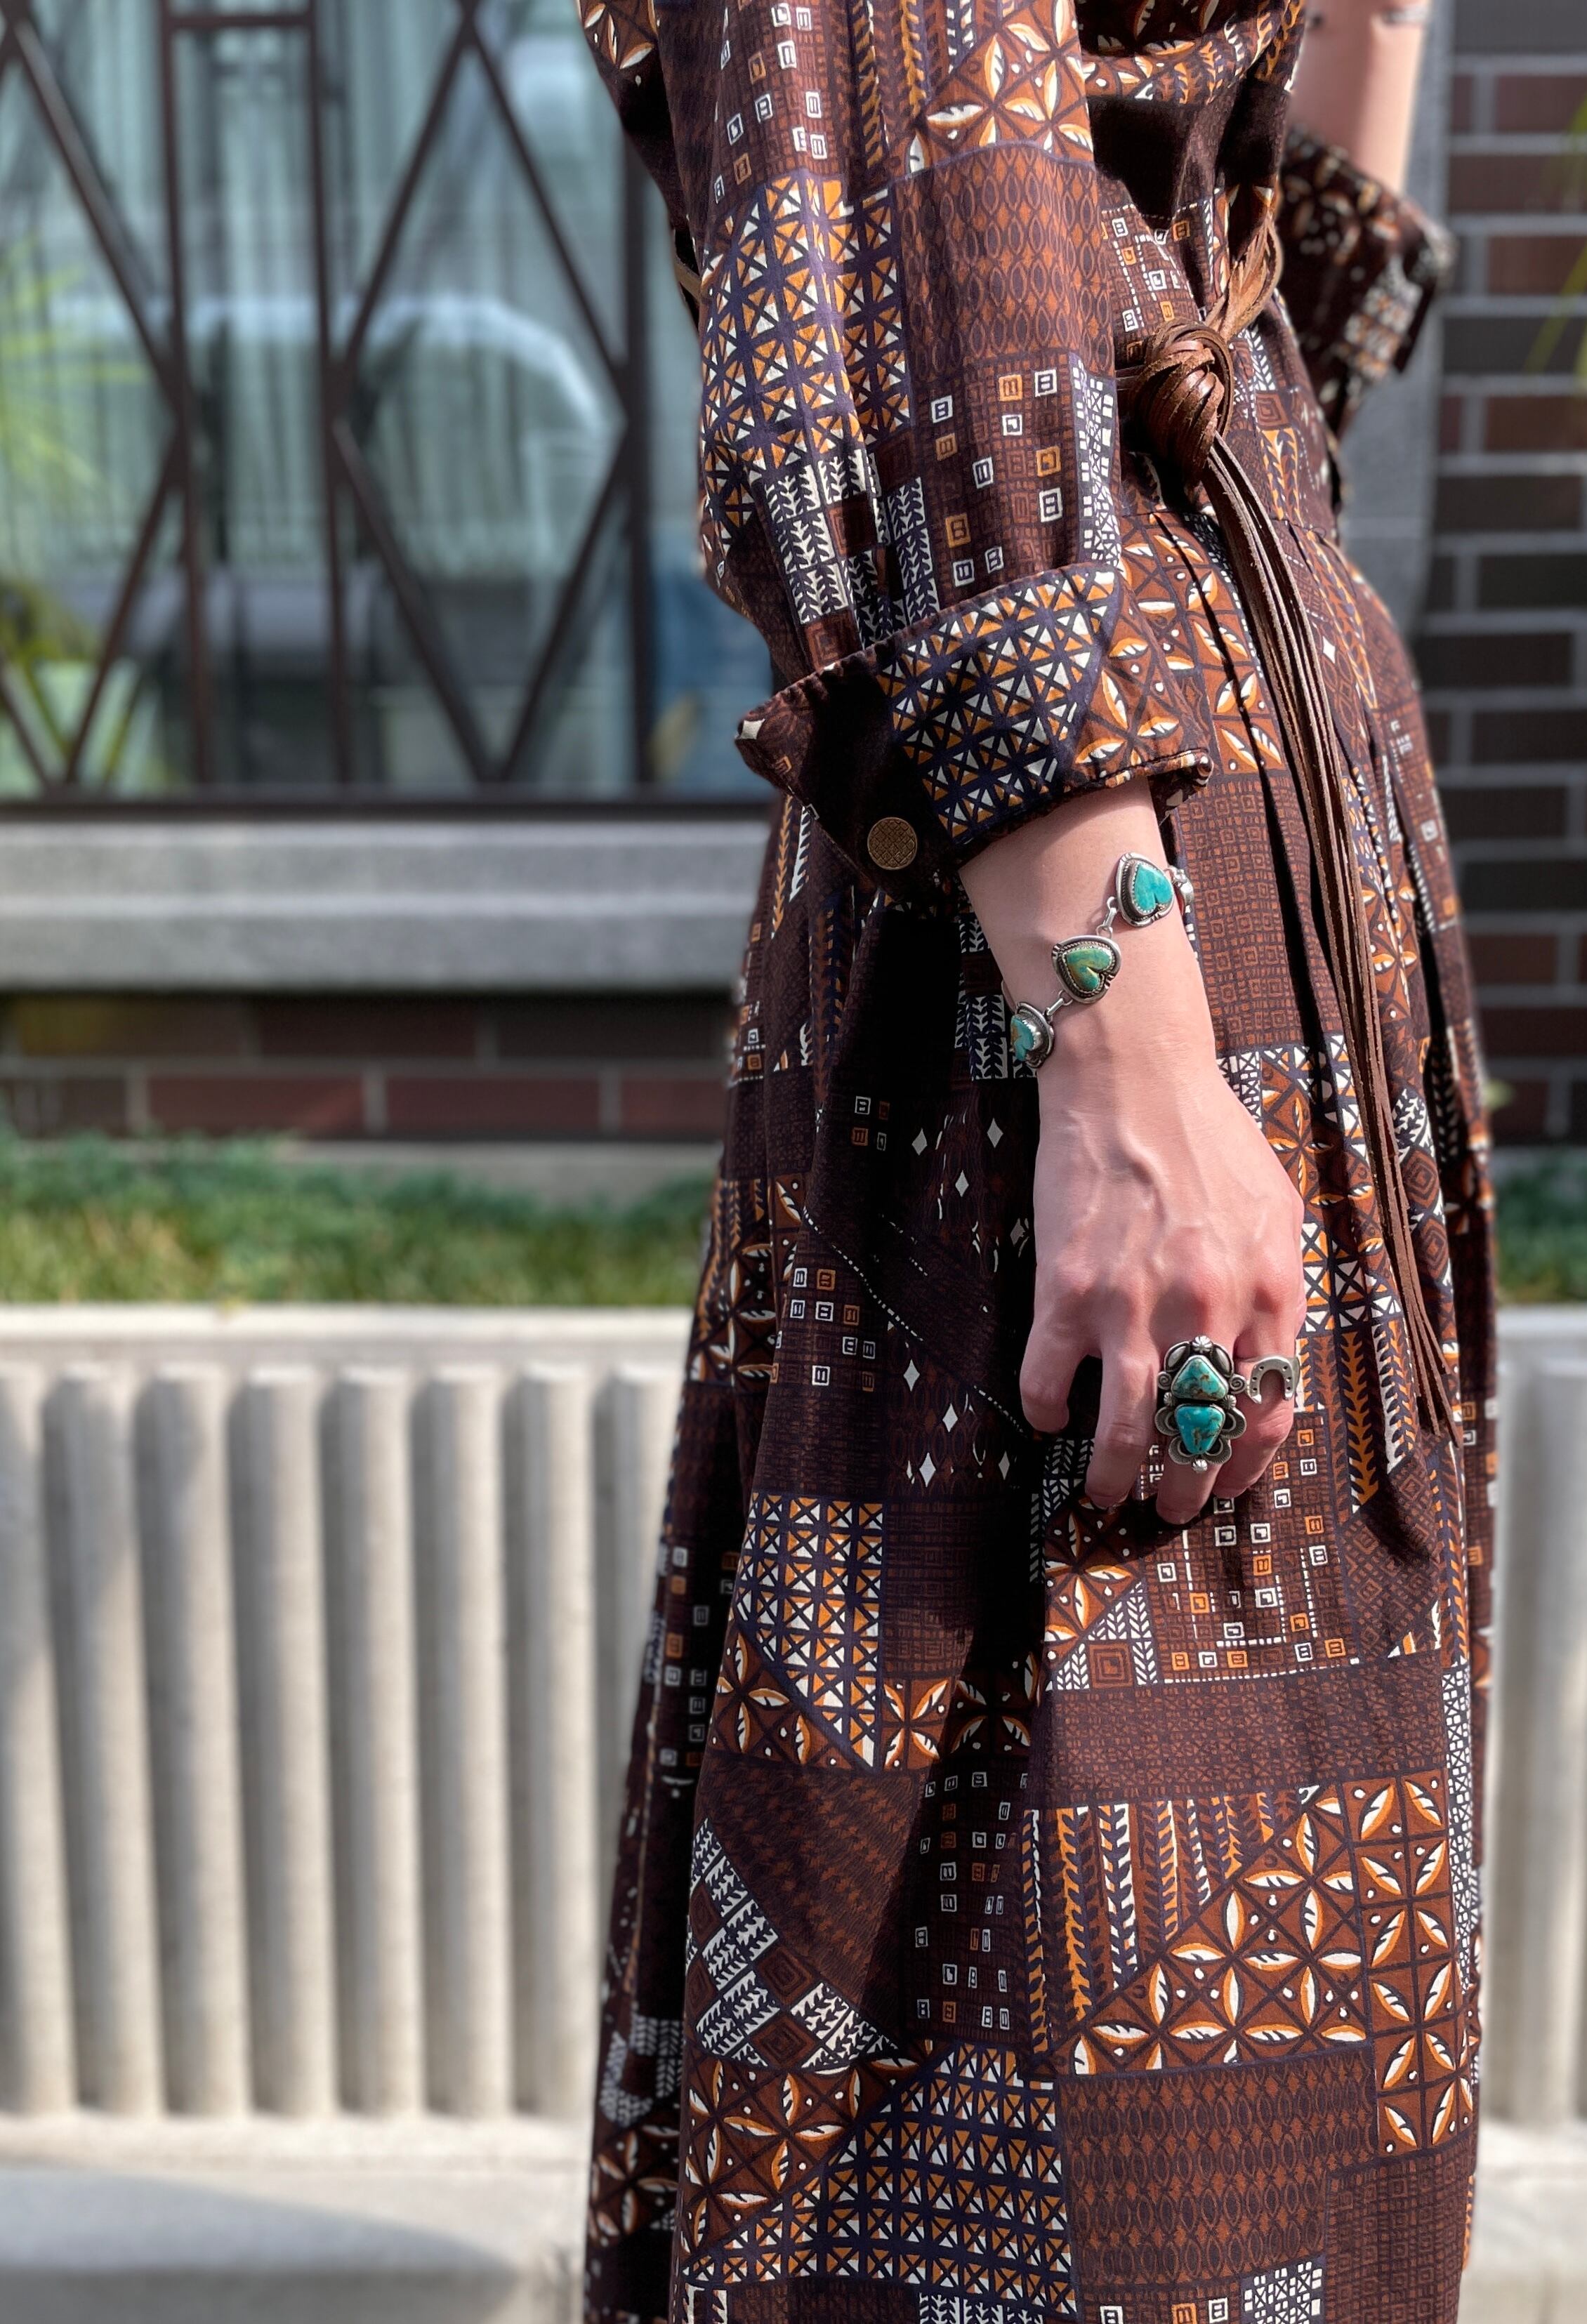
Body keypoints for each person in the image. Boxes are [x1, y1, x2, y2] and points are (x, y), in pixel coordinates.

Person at [577, 0, 1491, 2318]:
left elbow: (1256, 320)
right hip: (1095, 922)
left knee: (1289, 2007)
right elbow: (892, 222)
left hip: (1236, 847)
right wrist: (1130, 1049)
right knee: (1052, 2041)